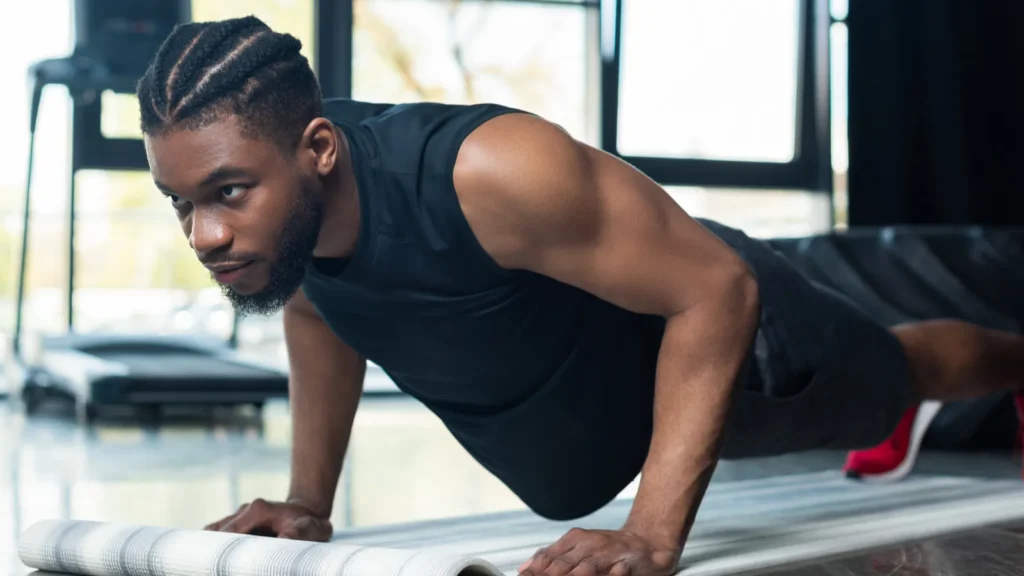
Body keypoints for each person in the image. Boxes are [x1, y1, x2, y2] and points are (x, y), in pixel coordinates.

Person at [135, 16, 1024, 576]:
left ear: (319, 148)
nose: (203, 235)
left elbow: (718, 290)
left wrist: (649, 534)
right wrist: (307, 501)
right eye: (180, 202)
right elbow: (320, 304)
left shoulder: (494, 172)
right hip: (611, 409)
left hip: (737, 352)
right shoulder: (293, 218)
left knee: (901, 369)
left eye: (227, 193)